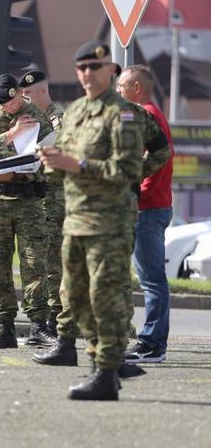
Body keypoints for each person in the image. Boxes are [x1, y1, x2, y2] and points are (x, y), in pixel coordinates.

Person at [38, 41, 144, 400]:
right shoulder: (76, 110)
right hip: (75, 219)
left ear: (111, 70)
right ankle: (103, 364)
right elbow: (65, 161)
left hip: (108, 223)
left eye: (94, 68)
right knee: (76, 299)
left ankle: (105, 371)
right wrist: (51, 163)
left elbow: (129, 168)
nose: (87, 74)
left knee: (106, 300)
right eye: (81, 67)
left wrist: (79, 165)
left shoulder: (123, 114)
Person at [0, 74, 55, 349]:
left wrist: (24, 171)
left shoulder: (37, 116)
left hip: (29, 201)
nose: (9, 107)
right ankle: (5, 326)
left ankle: (38, 326)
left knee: (34, 265)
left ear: (20, 93)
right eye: (3, 105)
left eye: (12, 101)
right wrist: (10, 135)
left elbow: (51, 156)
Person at [117, 65, 174, 364]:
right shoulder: (151, 112)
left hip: (148, 209)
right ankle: (153, 344)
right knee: (152, 279)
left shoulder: (147, 115)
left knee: (152, 281)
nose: (118, 91)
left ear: (137, 87)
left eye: (122, 85)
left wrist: (138, 197)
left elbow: (158, 161)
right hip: (152, 207)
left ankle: (152, 345)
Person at [19, 69, 66, 336]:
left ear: (42, 91)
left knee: (53, 263)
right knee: (39, 262)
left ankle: (55, 320)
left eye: (28, 93)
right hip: (38, 201)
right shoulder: (30, 120)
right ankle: (47, 318)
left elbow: (54, 157)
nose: (24, 98)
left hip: (54, 201)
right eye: (22, 94)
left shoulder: (57, 119)